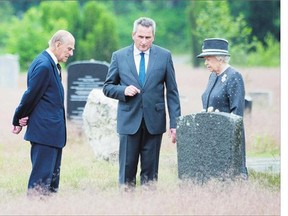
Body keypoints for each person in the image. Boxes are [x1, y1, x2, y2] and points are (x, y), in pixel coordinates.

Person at [103, 17, 181, 190]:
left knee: (150, 174)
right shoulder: (119, 56)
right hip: (129, 122)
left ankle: (148, 207)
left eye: (148, 37)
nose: (144, 42)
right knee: (127, 172)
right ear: (133, 35)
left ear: (153, 36)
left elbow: (173, 92)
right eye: (140, 37)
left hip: (154, 123)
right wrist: (123, 90)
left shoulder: (165, 56)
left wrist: (175, 124)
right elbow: (107, 87)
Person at [12, 30, 75, 196]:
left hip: (51, 133)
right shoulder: (45, 65)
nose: (71, 53)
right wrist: (17, 119)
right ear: (58, 44)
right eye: (69, 48)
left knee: (50, 184)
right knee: (40, 184)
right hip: (44, 133)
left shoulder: (50, 64)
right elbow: (30, 95)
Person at [197, 38, 248, 178]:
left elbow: (237, 113)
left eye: (208, 59)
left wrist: (227, 136)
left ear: (220, 59)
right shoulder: (213, 76)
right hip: (210, 136)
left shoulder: (234, 76)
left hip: (227, 138)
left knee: (229, 176)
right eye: (204, 59)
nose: (205, 63)